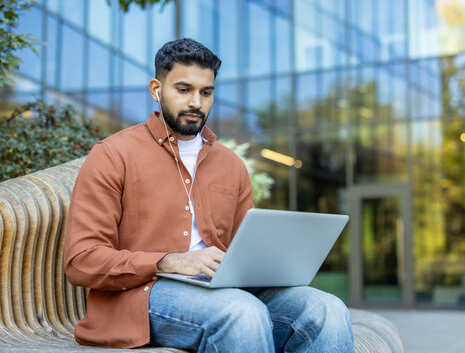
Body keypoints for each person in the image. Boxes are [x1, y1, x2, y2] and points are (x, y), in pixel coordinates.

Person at [64, 38, 354, 352]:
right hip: (145, 294)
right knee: (240, 312)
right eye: (183, 89)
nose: (196, 103)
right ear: (156, 89)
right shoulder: (113, 155)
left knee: (327, 310)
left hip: (227, 290)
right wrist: (171, 261)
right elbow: (82, 261)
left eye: (206, 92)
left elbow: (248, 249)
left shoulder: (231, 165)